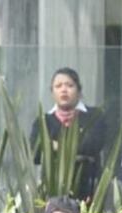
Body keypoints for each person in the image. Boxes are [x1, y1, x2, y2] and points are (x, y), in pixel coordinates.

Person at [30, 67, 109, 202]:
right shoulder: (43, 122)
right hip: (53, 193)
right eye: (58, 86)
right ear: (52, 92)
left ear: (79, 90)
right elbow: (35, 154)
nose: (64, 90)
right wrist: (73, 148)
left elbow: (92, 146)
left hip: (89, 190)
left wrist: (54, 146)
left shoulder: (95, 116)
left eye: (69, 85)